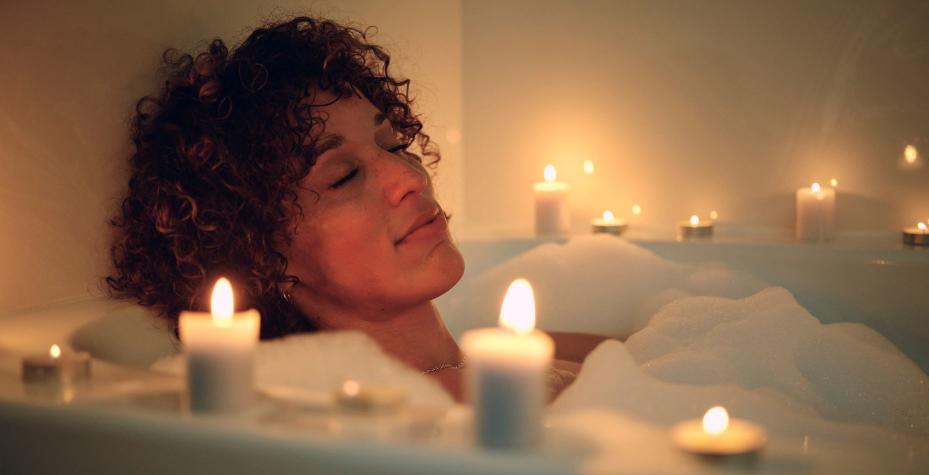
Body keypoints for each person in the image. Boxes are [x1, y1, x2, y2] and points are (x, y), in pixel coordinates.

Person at [107, 15, 594, 401]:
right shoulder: (405, 424)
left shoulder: (518, 355)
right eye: (343, 175)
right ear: (259, 252)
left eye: (394, 144)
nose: (409, 177)